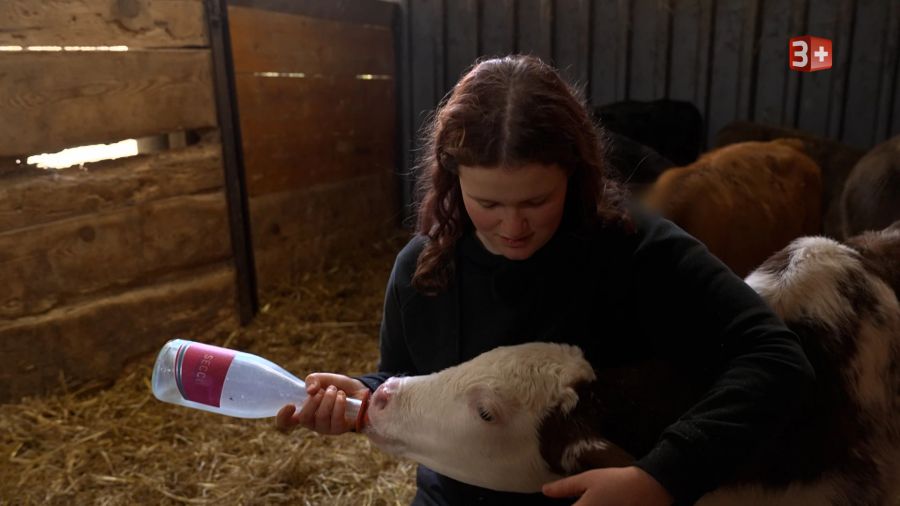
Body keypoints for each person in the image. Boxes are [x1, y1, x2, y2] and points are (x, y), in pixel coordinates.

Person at [275, 55, 815, 506]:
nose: (513, 227)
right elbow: (405, 375)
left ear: (575, 173)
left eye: (537, 200)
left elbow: (775, 358)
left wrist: (661, 478)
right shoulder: (423, 269)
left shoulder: (638, 252)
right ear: (451, 175)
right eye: (487, 202)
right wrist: (362, 398)